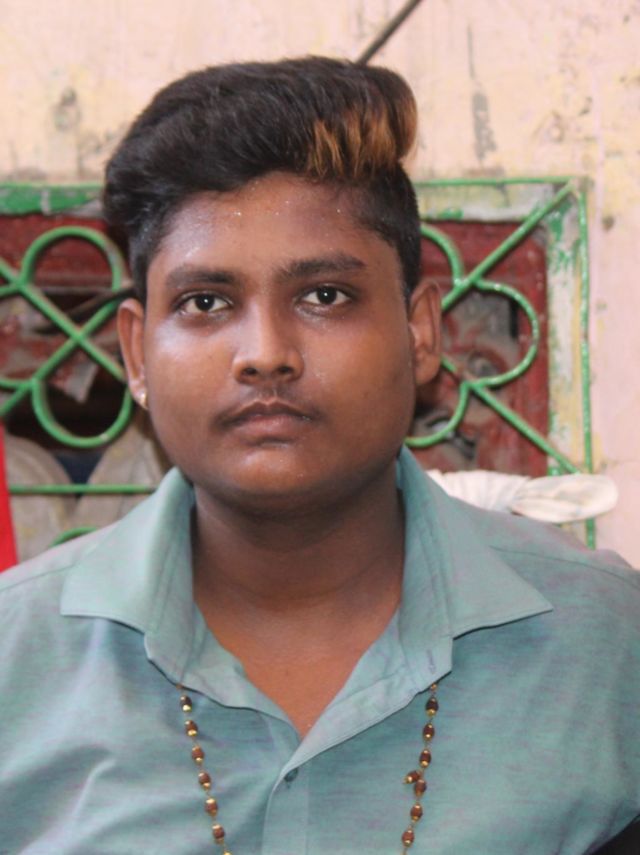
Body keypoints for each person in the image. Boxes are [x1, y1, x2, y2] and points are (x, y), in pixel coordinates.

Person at [0, 58, 638, 855]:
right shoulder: (16, 657)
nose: (265, 353)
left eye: (325, 295)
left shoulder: (606, 643)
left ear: (420, 331)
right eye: (206, 302)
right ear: (136, 352)